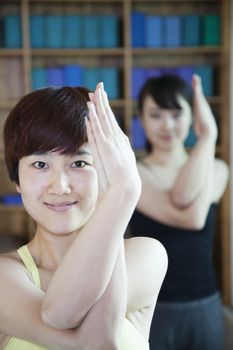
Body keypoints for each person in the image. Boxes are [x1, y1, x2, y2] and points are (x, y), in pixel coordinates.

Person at [0, 83, 168, 350]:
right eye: (40, 165)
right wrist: (124, 190)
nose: (60, 186)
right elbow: (91, 340)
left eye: (79, 163)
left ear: (108, 167)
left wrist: (120, 189)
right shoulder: (5, 278)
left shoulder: (146, 255)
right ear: (17, 179)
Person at [128, 74, 229, 350]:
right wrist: (208, 137)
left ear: (192, 117)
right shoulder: (134, 175)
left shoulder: (219, 169)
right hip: (151, 307)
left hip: (205, 301)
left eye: (176, 114)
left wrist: (208, 139)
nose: (167, 125)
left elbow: (183, 196)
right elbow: (192, 217)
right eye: (156, 114)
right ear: (142, 118)